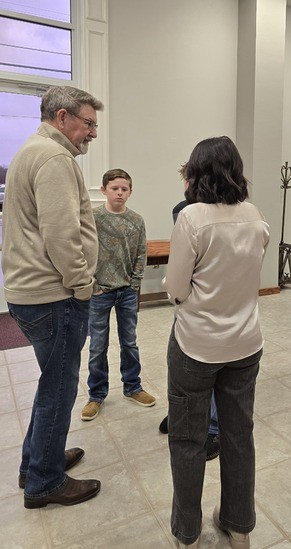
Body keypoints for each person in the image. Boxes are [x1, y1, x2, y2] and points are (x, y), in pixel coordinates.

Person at [164, 136, 269, 549]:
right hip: (245, 343)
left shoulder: (191, 217)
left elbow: (175, 288)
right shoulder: (254, 214)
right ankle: (238, 527)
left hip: (197, 346)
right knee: (239, 435)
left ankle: (188, 534)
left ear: (196, 172)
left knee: (188, 440)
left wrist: (190, 298)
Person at [2, 85, 103, 508]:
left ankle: (36, 462)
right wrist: (82, 285)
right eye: (89, 123)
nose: (93, 133)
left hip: (32, 294)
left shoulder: (31, 151)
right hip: (54, 295)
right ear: (62, 117)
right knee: (59, 389)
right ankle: (45, 482)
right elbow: (61, 235)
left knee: (51, 384)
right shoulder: (55, 157)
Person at [81, 169, 156, 421]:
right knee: (97, 346)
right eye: (114, 188)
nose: (120, 193)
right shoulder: (93, 218)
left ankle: (133, 387)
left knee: (129, 342)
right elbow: (82, 251)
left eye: (124, 189)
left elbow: (141, 253)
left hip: (126, 292)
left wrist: (134, 284)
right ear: (104, 190)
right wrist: (91, 284)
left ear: (130, 192)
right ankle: (96, 395)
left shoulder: (136, 220)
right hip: (99, 292)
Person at [159, 193, 220, 462]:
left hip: (213, 312)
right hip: (187, 310)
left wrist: (177, 289)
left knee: (211, 368)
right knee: (182, 368)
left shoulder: (230, 217)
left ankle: (213, 427)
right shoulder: (182, 210)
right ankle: (181, 413)